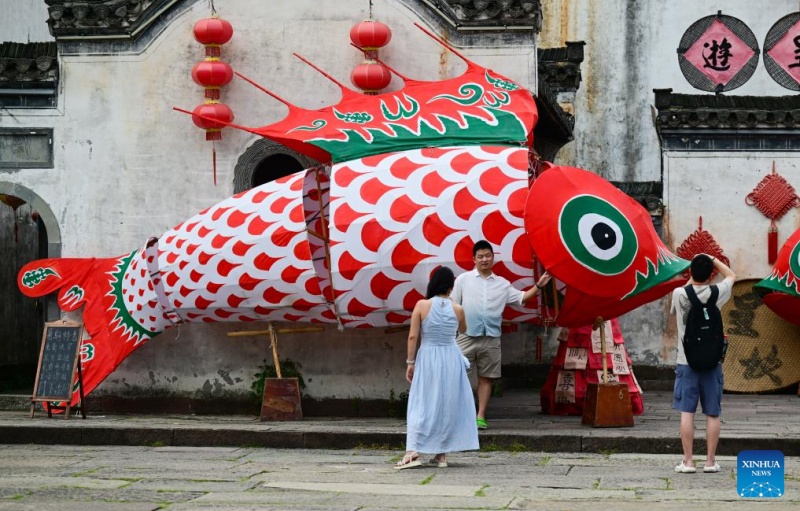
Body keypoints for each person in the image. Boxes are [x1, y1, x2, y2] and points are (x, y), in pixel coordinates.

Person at [451, 240, 551, 430]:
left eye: (488, 255)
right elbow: (453, 305)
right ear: (474, 259)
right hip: (466, 336)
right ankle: (461, 415)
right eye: (480, 256)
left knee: (486, 377)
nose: (484, 259)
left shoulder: (502, 284)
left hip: (491, 338)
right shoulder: (463, 280)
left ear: (493, 258)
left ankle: (480, 416)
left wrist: (539, 285)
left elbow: (522, 298)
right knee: (457, 375)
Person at [395, 266, 479, 470]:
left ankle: (412, 451)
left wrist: (410, 362)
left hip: (429, 356)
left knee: (421, 402)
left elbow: (413, 336)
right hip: (450, 357)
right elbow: (464, 329)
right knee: (445, 404)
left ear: (432, 283)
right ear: (451, 286)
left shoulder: (422, 305)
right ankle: (441, 455)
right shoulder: (457, 308)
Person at [670, 254, 735, 474]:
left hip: (686, 362)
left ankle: (688, 462)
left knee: (686, 412)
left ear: (691, 272)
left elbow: (686, 290)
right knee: (713, 413)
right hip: (712, 362)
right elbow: (731, 275)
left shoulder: (679, 294)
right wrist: (712, 259)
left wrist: (694, 269)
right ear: (710, 274)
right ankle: (710, 462)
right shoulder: (717, 293)